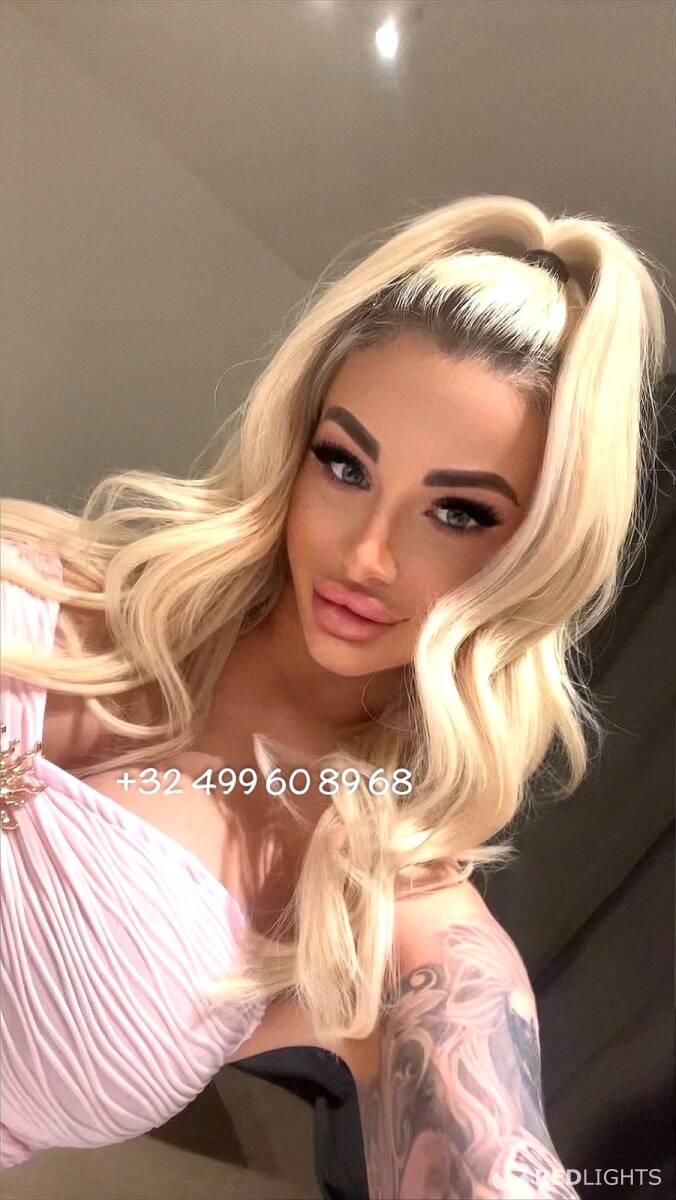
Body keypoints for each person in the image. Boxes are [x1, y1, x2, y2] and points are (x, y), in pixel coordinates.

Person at [0, 193, 671, 1198]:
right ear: (297, 442)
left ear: (535, 557)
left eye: (458, 512)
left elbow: (487, 1148)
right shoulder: (38, 580)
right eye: (346, 465)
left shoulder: (386, 911)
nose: (366, 556)